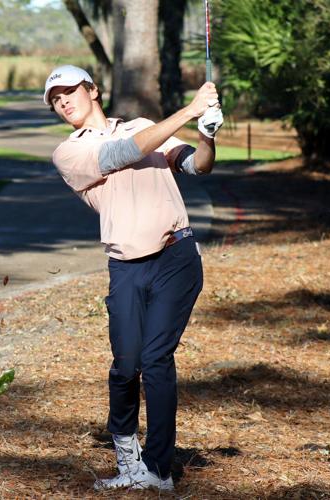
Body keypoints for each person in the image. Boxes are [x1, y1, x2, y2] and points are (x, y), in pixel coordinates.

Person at [43, 65, 223, 491]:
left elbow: (197, 166)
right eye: (55, 98)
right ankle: (128, 461)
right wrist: (188, 111)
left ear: (94, 90)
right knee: (126, 367)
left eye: (70, 91)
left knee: (156, 360)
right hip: (126, 266)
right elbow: (121, 154)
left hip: (176, 256)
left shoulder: (146, 126)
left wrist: (207, 132)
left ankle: (159, 471)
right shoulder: (69, 153)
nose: (64, 101)